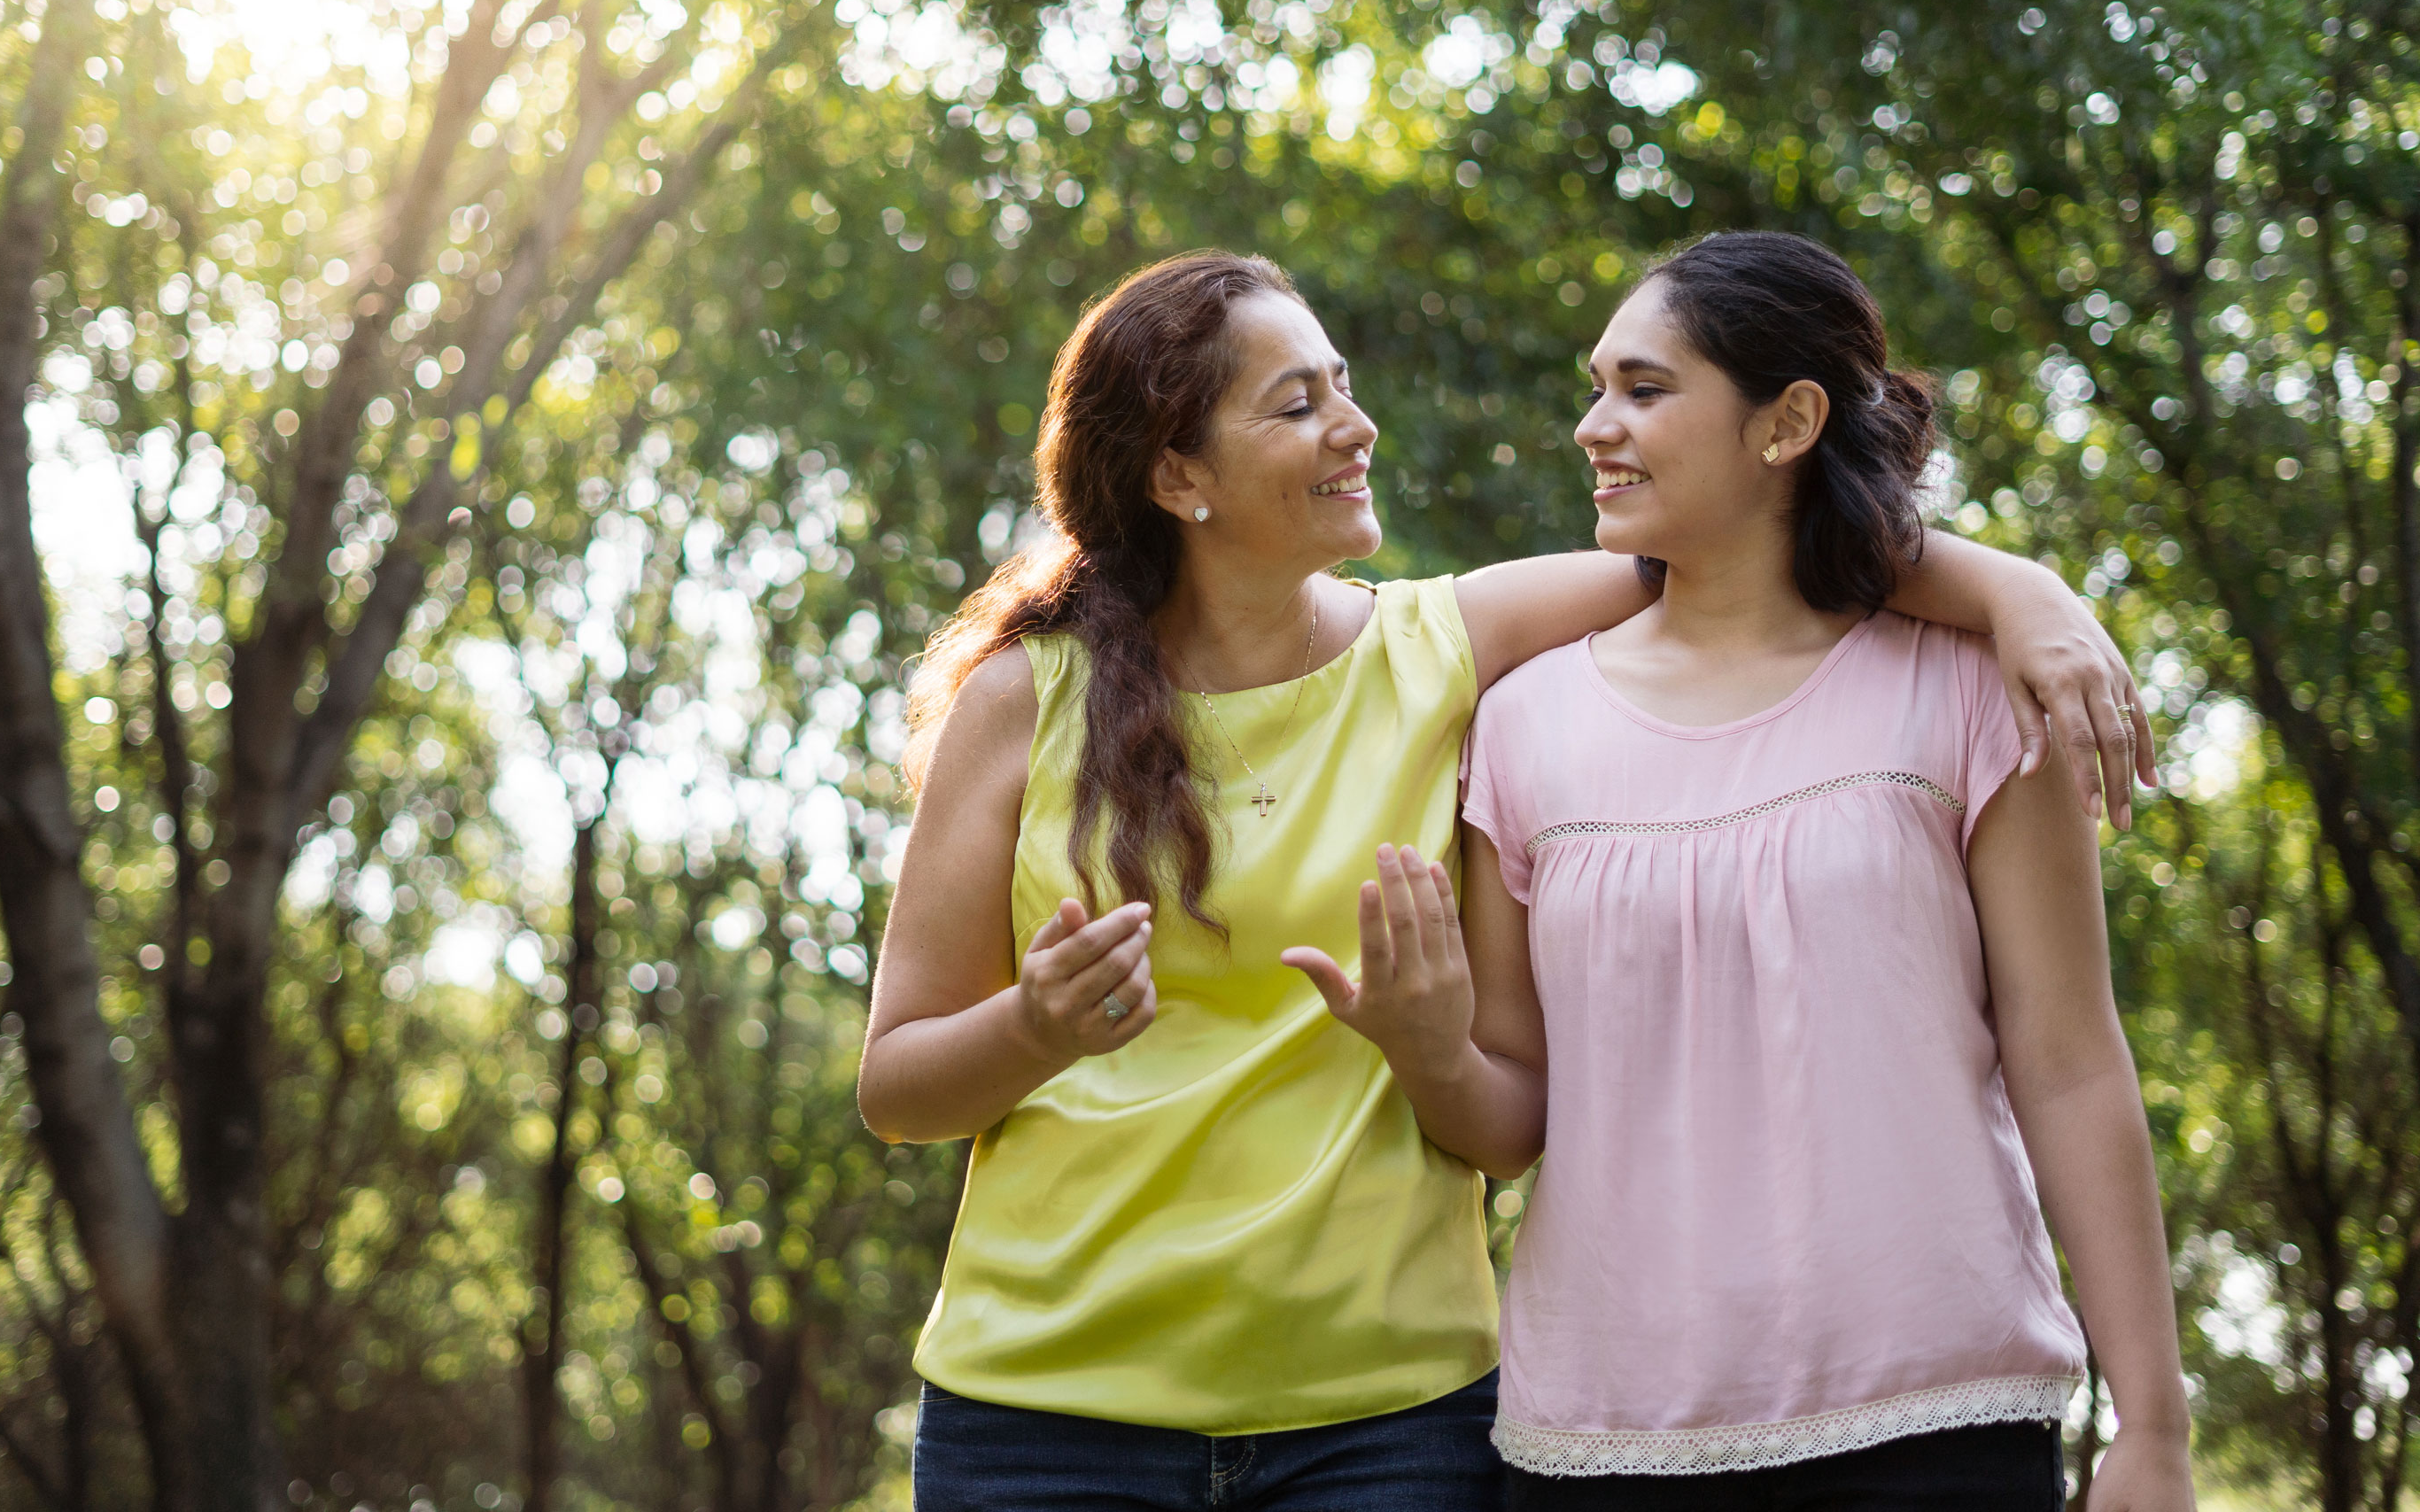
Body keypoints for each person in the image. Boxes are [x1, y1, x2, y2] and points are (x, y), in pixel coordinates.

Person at [859, 249, 2153, 1512]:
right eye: (1296, 403)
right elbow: (896, 1086)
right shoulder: (1028, 705)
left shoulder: (1447, 652)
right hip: (1045, 1417)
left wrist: (2014, 590)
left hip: (1385, 1422)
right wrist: (1034, 1027)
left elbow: (1749, 542)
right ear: (1178, 473)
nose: (1354, 426)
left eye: (1341, 383)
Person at [1309, 231, 2191, 1511]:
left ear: (1788, 424)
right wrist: (1425, 1047)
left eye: (1644, 390)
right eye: (1597, 386)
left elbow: (2069, 1062)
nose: (1592, 426)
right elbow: (1516, 1118)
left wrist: (2151, 1429)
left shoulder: (1971, 686)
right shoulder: (1522, 722)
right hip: (1600, 1450)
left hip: (1940, 1432)